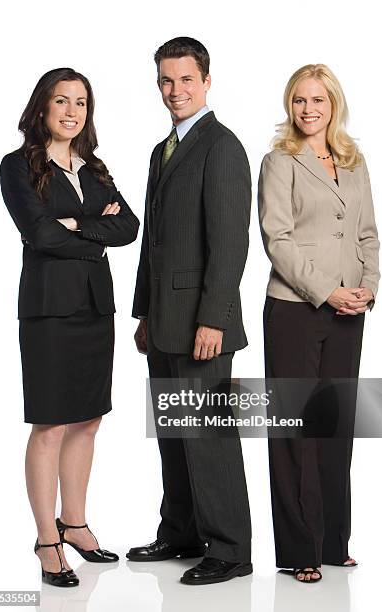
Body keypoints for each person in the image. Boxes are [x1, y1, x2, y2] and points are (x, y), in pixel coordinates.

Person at [0, 67, 139, 587]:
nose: (71, 111)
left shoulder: (94, 167)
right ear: (42, 108)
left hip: (94, 308)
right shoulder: (18, 166)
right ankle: (46, 540)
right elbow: (37, 234)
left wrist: (76, 225)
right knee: (51, 424)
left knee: (87, 420)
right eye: (61, 101)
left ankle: (75, 524)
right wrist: (90, 232)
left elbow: (128, 226)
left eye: (80, 102)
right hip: (49, 311)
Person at [128, 37, 252, 585]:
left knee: (209, 436)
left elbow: (230, 244)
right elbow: (152, 239)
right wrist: (144, 312)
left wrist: (214, 319)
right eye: (165, 81)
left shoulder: (222, 147)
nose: (174, 91)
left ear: (206, 81)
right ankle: (180, 531)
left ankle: (229, 549)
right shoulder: (162, 151)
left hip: (203, 321)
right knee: (174, 432)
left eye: (184, 80)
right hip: (164, 319)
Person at [258, 64, 380, 582]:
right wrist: (326, 290)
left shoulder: (354, 163)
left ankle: (333, 542)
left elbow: (369, 234)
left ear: (334, 105)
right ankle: (299, 549)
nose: (309, 110)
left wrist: (368, 288)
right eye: (300, 101)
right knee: (294, 431)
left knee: (334, 429)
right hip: (295, 309)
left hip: (349, 312)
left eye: (319, 101)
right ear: (291, 106)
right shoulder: (278, 161)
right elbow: (276, 239)